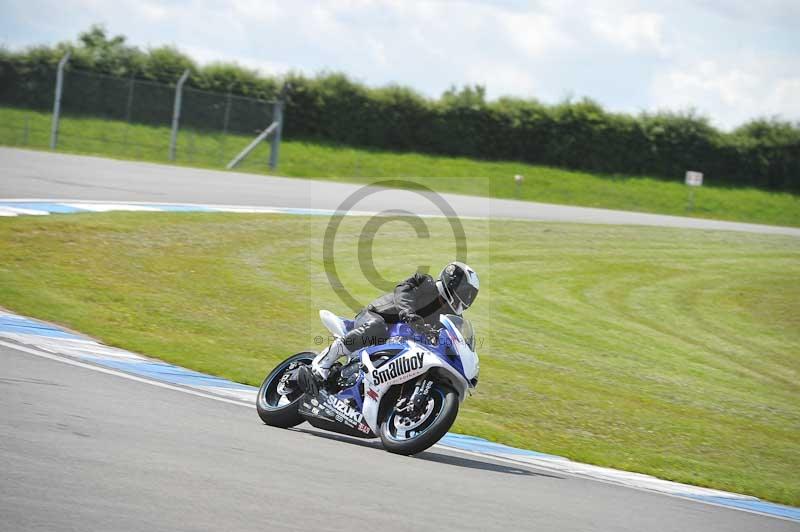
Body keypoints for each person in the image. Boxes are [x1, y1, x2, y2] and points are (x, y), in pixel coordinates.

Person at [298, 262, 480, 393]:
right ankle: (324, 362)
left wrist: (464, 365)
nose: (467, 298)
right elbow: (403, 291)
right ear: (452, 281)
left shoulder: (451, 316)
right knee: (377, 328)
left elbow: (450, 337)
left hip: (402, 341)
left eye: (470, 295)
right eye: (465, 292)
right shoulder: (426, 282)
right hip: (378, 317)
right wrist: (407, 313)